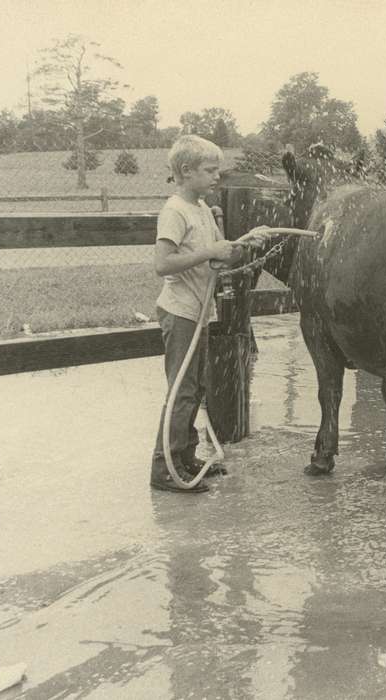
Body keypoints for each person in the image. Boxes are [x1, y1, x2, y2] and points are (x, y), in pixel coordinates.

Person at [149, 135, 241, 493]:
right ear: (186, 172)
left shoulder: (203, 208)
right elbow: (162, 263)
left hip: (200, 310)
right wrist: (209, 253)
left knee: (196, 387)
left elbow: (218, 254)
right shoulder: (175, 211)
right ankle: (164, 467)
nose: (216, 176)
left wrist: (236, 248)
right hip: (181, 311)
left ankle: (185, 457)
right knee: (182, 391)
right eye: (209, 170)